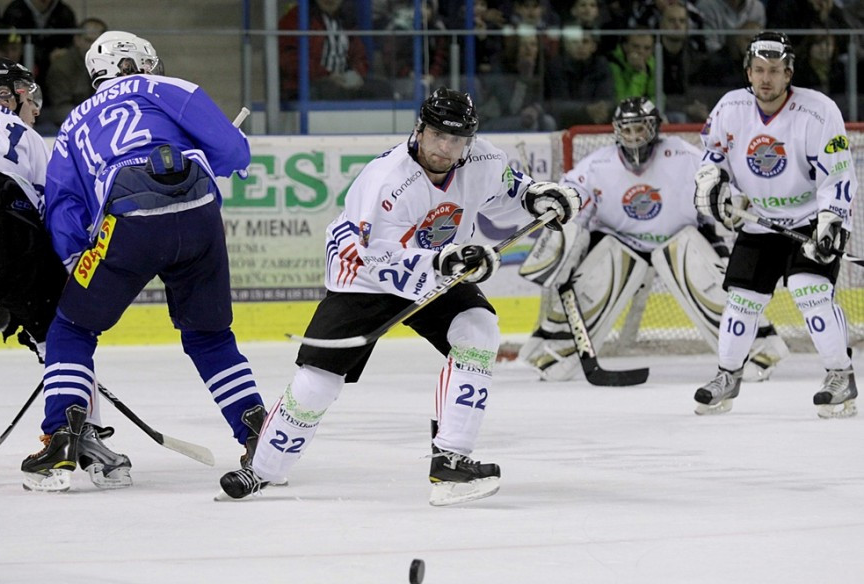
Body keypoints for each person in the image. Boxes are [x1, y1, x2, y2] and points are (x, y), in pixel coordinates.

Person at [217, 87, 581, 506]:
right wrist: (448, 261)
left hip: (440, 267)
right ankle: (263, 469)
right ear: (419, 130)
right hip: (365, 276)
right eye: (438, 135)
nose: (446, 148)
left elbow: (508, 192)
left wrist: (537, 198)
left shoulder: (483, 158)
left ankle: (451, 461)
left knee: (478, 331)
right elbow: (380, 256)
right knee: (318, 382)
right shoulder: (387, 181)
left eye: (457, 139)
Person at [20, 31, 269, 492]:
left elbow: (63, 209)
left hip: (127, 222)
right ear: (137, 64)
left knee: (72, 328)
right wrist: (217, 158)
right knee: (210, 336)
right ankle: (259, 434)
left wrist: (79, 257)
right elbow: (234, 153)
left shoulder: (73, 123)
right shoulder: (171, 88)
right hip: (198, 216)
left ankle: (61, 436)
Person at [516, 96, 788, 383]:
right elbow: (572, 198)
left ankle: (758, 348)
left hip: (682, 240)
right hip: (622, 245)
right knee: (595, 280)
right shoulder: (597, 165)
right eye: (628, 130)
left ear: (655, 128)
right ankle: (551, 352)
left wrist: (729, 199)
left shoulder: (685, 156)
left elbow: (721, 182)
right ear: (618, 131)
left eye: (640, 129)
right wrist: (563, 229)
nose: (634, 137)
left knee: (709, 281)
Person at [0, 57, 130, 486]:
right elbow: (48, 214)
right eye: (29, 96)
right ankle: (78, 433)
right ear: (11, 94)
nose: (35, 108)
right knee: (63, 329)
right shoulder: (31, 139)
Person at [693, 31, 858, 418]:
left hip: (810, 221)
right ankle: (728, 375)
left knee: (809, 290)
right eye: (759, 70)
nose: (766, 79)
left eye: (775, 71)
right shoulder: (729, 108)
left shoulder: (819, 111)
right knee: (742, 300)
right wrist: (711, 183)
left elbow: (837, 174)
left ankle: (840, 375)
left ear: (789, 73)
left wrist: (832, 220)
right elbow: (712, 155)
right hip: (760, 221)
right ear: (748, 72)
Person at [42, 17, 107, 130]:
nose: (93, 47)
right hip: (69, 124)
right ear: (77, 40)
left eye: (98, 42)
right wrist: (93, 119)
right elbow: (60, 109)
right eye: (88, 40)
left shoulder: (110, 64)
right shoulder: (61, 67)